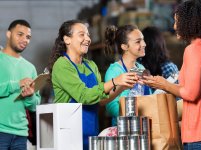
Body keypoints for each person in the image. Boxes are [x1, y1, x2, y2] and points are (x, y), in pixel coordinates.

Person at [141, 0, 201, 149]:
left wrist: (164, 84)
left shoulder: (193, 50)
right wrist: (164, 85)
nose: (174, 27)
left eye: (177, 22)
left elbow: (191, 93)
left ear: (189, 22)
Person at [48, 20, 138, 150]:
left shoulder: (91, 65)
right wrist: (114, 81)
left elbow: (100, 100)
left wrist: (122, 86)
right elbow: (84, 96)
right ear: (67, 39)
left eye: (88, 35)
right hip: (68, 137)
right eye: (81, 34)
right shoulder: (62, 65)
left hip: (91, 133)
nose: (87, 39)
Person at [0, 19, 41, 150]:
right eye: (20, 34)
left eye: (28, 37)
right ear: (8, 34)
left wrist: (30, 97)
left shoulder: (30, 68)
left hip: (20, 134)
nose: (25, 39)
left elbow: (35, 106)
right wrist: (16, 84)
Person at [104, 24, 151, 126]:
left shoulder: (141, 68)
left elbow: (147, 97)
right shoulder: (114, 71)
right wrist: (131, 117)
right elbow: (111, 105)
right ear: (124, 46)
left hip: (143, 126)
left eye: (143, 40)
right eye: (138, 41)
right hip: (123, 129)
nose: (144, 44)